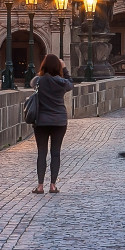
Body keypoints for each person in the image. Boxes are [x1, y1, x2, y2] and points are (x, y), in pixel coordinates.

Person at [31, 54, 72, 194]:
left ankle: (40, 186)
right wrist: (64, 69)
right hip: (59, 121)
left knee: (42, 152)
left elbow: (31, 83)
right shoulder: (62, 82)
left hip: (41, 121)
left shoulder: (38, 81)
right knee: (56, 153)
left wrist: (42, 72)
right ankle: (53, 185)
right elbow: (70, 83)